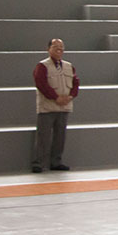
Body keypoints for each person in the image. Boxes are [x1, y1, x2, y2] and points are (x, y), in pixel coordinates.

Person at [31, 38, 78, 173]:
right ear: (49, 49)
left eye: (61, 48)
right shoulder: (42, 66)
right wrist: (55, 97)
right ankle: (39, 163)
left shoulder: (69, 66)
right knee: (43, 136)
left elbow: (76, 83)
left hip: (64, 107)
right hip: (47, 107)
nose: (59, 51)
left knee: (60, 136)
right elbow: (41, 84)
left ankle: (56, 161)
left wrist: (71, 96)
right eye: (56, 48)